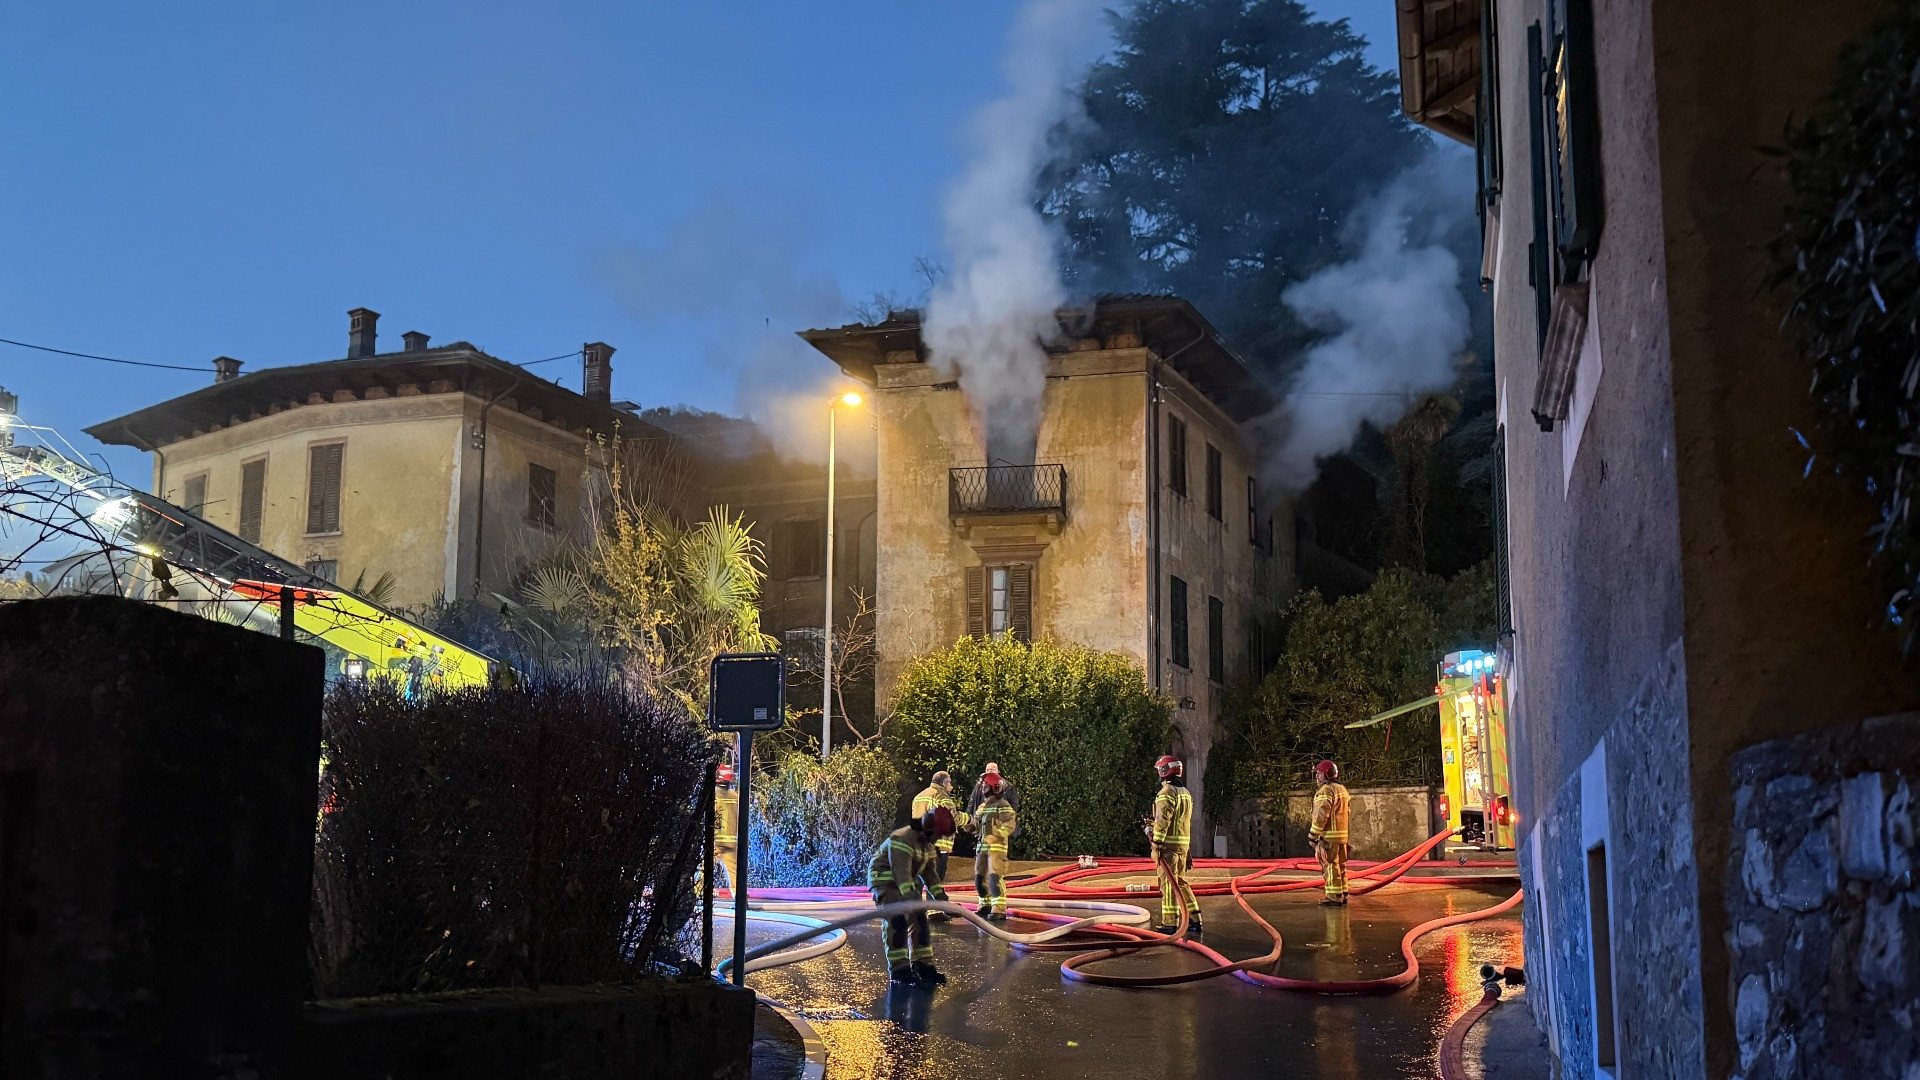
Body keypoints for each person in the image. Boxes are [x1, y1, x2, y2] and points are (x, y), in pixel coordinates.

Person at [868, 805, 957, 986]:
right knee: (898, 920)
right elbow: (901, 872)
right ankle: (899, 969)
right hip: (885, 882)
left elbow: (930, 876)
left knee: (921, 922)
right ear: (929, 828)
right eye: (939, 834)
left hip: (907, 884)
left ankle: (924, 966)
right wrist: (909, 898)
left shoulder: (928, 845)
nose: (939, 839)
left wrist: (943, 900)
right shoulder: (901, 839)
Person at [1149, 755, 1202, 934]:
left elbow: (1163, 821)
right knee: (1181, 883)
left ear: (1165, 770)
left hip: (1168, 848)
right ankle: (1195, 919)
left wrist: (1156, 843)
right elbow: (1182, 822)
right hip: (1182, 846)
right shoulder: (1185, 793)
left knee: (1169, 884)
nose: (1158, 772)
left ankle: (1170, 923)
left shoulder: (1166, 793)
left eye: (1159, 769)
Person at [911, 770, 971, 887]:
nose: (951, 786)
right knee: (934, 885)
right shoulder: (941, 796)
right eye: (949, 783)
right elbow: (952, 818)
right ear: (944, 783)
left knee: (917, 885)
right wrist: (968, 819)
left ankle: (915, 906)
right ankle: (934, 906)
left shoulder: (919, 797)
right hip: (938, 847)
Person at [973, 769, 1017, 921]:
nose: (982, 788)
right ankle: (985, 905)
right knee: (979, 879)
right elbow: (976, 825)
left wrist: (996, 835)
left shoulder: (1003, 805)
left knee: (994, 879)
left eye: (985, 786)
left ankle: (999, 909)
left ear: (994, 787)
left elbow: (1010, 824)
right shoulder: (983, 807)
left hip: (996, 851)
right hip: (982, 849)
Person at [1308, 759, 1352, 906]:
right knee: (1341, 866)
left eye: (1319, 774)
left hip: (1329, 837)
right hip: (1342, 836)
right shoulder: (1342, 789)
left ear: (1327, 775)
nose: (1317, 777)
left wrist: (1313, 835)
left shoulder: (1326, 790)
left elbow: (1321, 814)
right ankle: (1343, 893)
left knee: (1330, 865)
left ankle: (1333, 896)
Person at [713, 762, 740, 894]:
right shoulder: (736, 796)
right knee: (734, 872)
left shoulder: (715, 796)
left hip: (717, 842)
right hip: (732, 841)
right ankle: (739, 898)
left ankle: (698, 894)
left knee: (704, 869)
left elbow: (712, 816)